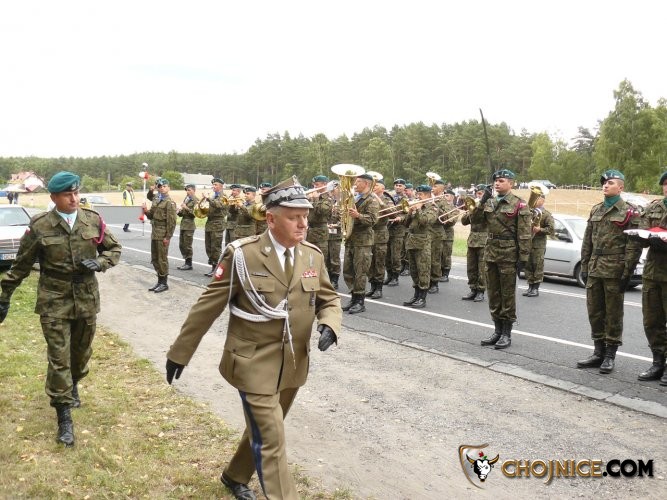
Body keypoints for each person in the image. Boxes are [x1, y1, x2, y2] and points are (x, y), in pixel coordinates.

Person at [165, 176, 341, 500]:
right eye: (294, 217)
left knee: (264, 426)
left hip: (292, 362)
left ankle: (234, 476)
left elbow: (328, 298)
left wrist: (330, 323)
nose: (303, 224)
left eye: (305, 216)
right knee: (272, 436)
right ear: (271, 219)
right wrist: (180, 353)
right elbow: (207, 306)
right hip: (252, 361)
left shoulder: (312, 255)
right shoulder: (242, 255)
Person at [0, 171, 121, 446]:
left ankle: (74, 383)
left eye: (76, 193)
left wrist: (101, 263)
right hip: (53, 299)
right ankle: (64, 416)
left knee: (80, 354)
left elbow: (114, 249)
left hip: (86, 298)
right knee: (59, 358)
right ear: (54, 197)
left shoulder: (93, 220)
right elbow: (21, 265)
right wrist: (4, 296)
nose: (74, 199)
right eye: (68, 195)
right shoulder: (40, 226)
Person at [576, 169, 643, 374]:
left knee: (613, 313)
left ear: (620, 187)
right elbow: (587, 241)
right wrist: (585, 266)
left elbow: (634, 244)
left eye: (610, 183)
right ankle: (598, 352)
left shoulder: (630, 211)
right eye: (604, 183)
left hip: (615, 268)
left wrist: (627, 271)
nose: (605, 185)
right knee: (595, 312)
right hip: (595, 266)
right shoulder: (596, 209)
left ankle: (610, 355)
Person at [471, 169, 531, 349]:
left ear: (511, 183)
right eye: (496, 180)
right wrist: (481, 202)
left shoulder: (519, 204)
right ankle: (497, 330)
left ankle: (506, 333)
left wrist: (523, 258)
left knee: (507, 295)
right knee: (493, 294)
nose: (497, 183)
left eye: (502, 180)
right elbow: (475, 221)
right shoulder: (489, 201)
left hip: (508, 254)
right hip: (490, 252)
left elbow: (525, 233)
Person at [636, 171, 667, 384]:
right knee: (651, 321)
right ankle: (658, 362)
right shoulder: (653, 208)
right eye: (665, 184)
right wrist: (647, 239)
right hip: (653, 273)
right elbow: (641, 231)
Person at [342, 173, 379, 314]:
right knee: (348, 270)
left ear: (366, 183)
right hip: (351, 239)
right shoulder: (355, 198)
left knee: (360, 272)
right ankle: (353, 297)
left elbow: (372, 220)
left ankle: (360, 301)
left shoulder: (371, 199)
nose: (355, 184)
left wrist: (358, 216)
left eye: (358, 182)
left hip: (363, 241)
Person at [401, 185, 438, 308]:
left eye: (420, 194)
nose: (418, 196)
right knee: (414, 270)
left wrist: (418, 210)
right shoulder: (416, 207)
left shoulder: (432, 208)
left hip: (423, 242)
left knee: (423, 270)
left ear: (427, 195)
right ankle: (416, 295)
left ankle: (422, 297)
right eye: (417, 194)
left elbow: (424, 221)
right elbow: (406, 224)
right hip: (411, 241)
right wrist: (409, 212)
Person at [142, 177, 177, 293]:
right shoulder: (157, 199)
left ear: (169, 188)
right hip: (155, 232)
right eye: (160, 187)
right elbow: (151, 216)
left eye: (164, 186)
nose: (162, 188)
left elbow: (172, 222)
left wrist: (168, 237)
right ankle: (159, 281)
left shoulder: (170, 202)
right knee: (155, 258)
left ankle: (164, 283)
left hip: (163, 234)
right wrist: (146, 211)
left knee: (162, 259)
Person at [522, 185, 555, 297]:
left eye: (538, 198)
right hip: (528, 242)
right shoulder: (528, 212)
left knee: (537, 265)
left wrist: (539, 229)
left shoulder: (546, 214)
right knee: (528, 265)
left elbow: (551, 230)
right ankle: (530, 286)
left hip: (538, 245)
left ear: (543, 200)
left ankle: (535, 288)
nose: (535, 200)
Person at [460, 184, 488, 302]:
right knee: (471, 267)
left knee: (482, 268)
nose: (478, 196)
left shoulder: (489, 206)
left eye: (480, 194)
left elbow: (482, 217)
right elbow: (464, 221)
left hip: (484, 241)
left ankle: (480, 291)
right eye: (477, 193)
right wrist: (469, 210)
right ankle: (473, 289)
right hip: (472, 240)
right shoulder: (473, 207)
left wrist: (478, 207)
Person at [366, 178, 392, 299]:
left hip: (380, 235)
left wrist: (379, 201)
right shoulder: (368, 199)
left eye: (376, 185)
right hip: (369, 233)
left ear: (383, 188)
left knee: (379, 262)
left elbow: (393, 212)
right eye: (373, 185)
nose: (374, 187)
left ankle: (379, 288)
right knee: (370, 262)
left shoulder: (387, 199)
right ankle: (372, 285)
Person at [203, 177, 229, 277]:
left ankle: (216, 268)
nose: (213, 186)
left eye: (215, 185)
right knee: (208, 246)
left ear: (221, 186)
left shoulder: (224, 196)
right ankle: (213, 265)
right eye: (213, 184)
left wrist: (208, 198)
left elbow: (219, 205)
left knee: (215, 247)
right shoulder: (213, 195)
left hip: (218, 223)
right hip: (210, 223)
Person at [384, 178, 407, 286]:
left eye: (400, 185)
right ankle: (389, 275)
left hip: (398, 230)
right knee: (387, 255)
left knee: (396, 255)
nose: (398, 187)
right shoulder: (389, 197)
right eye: (396, 185)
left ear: (404, 187)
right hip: (387, 229)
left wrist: (400, 218)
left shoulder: (406, 199)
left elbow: (406, 214)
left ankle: (395, 277)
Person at [306, 175, 333, 264]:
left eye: (317, 184)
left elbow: (322, 211)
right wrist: (309, 199)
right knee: (309, 261)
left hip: (320, 233)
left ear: (324, 184)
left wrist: (316, 199)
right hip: (310, 232)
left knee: (320, 261)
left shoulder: (328, 198)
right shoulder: (313, 196)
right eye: (314, 184)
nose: (314, 187)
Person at [176, 184, 199, 271]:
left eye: (189, 190)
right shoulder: (186, 199)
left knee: (187, 245)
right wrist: (178, 211)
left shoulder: (196, 200)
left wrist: (186, 208)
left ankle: (189, 264)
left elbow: (195, 214)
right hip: (183, 224)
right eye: (186, 190)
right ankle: (186, 261)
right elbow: (182, 214)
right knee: (181, 245)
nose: (187, 192)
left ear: (194, 190)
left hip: (189, 225)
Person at [439, 189, 457, 282]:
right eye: (444, 195)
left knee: (446, 255)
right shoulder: (439, 205)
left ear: (452, 197)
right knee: (438, 254)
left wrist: (440, 210)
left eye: (447, 195)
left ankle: (445, 273)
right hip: (438, 234)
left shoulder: (454, 209)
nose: (444, 197)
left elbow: (451, 222)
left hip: (447, 234)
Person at [326, 185, 342, 289]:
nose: (333, 190)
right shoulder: (328, 201)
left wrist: (336, 225)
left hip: (336, 235)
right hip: (326, 234)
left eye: (335, 188)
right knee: (326, 258)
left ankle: (335, 280)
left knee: (334, 258)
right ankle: (327, 278)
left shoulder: (342, 203)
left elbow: (344, 219)